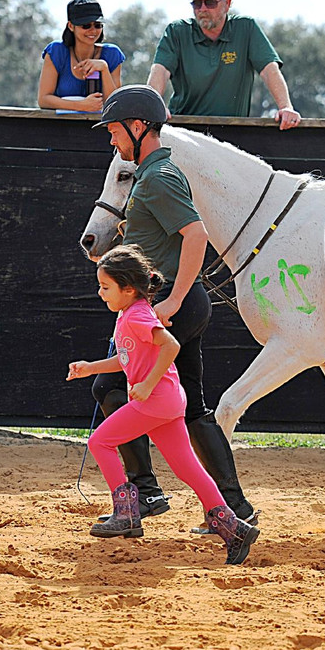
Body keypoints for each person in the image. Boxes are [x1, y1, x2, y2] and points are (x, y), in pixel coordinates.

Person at [88, 84, 259, 533]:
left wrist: (176, 300)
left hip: (171, 307)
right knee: (192, 409)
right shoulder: (153, 174)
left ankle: (143, 495)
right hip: (175, 304)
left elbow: (196, 235)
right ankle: (232, 508)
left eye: (115, 131)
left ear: (139, 126)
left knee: (110, 388)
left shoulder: (159, 177)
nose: (111, 139)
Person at [67, 245, 259, 565]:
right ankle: (234, 530)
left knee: (100, 441)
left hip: (156, 401)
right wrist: (91, 367)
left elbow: (170, 345)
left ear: (128, 289)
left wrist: (147, 384)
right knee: (188, 469)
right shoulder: (132, 313)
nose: (100, 294)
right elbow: (127, 358)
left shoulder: (139, 314)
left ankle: (126, 513)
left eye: (105, 287)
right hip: (168, 402)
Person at [146, 0, 302, 129]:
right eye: (197, 3)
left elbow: (269, 70)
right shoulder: (177, 31)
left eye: (210, 3)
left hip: (233, 133)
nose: (203, 9)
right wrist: (151, 104)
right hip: (185, 130)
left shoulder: (246, 28)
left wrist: (285, 107)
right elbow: (160, 70)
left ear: (227, 3)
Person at [38, 0, 124, 112]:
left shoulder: (112, 54)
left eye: (97, 25)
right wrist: (81, 105)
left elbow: (116, 106)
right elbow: (44, 100)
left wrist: (104, 68)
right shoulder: (56, 52)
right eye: (86, 25)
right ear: (71, 26)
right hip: (60, 126)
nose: (93, 31)